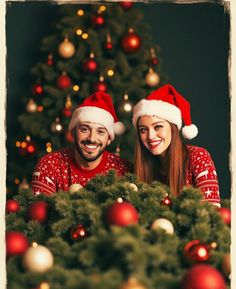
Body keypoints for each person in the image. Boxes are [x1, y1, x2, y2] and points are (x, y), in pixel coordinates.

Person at [132, 84, 221, 207]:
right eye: (143, 130)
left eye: (158, 127)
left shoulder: (198, 157)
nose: (151, 136)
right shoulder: (143, 167)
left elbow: (211, 215)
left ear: (173, 128)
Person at [31, 91, 132, 195]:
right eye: (85, 129)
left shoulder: (123, 170)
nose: (92, 138)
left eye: (100, 131)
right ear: (73, 133)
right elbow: (38, 208)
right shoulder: (49, 165)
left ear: (109, 139)